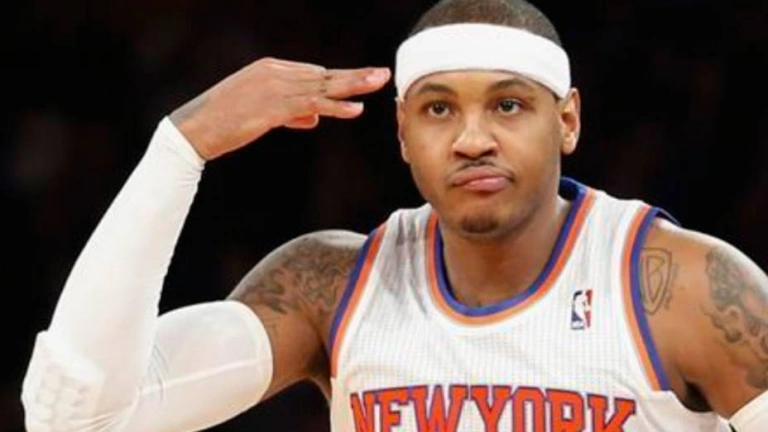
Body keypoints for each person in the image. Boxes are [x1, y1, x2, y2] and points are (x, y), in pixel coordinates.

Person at [20, 0, 768, 430]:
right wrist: (182, 146)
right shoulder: (329, 286)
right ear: (404, 132)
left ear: (567, 120)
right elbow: (77, 418)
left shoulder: (685, 290)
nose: (473, 139)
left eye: (508, 105)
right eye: (439, 109)